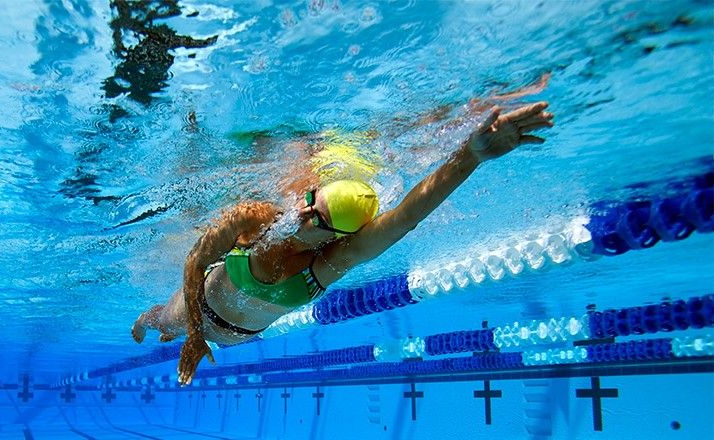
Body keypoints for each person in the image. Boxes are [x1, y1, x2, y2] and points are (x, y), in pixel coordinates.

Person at [131, 101, 554, 385]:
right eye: (310, 199)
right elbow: (194, 261)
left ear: (336, 237)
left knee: (177, 330)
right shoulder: (252, 218)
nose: (303, 213)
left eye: (319, 219)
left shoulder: (330, 263)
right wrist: (193, 335)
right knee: (160, 321)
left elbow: (405, 218)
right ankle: (143, 322)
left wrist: (471, 156)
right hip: (195, 306)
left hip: (234, 337)